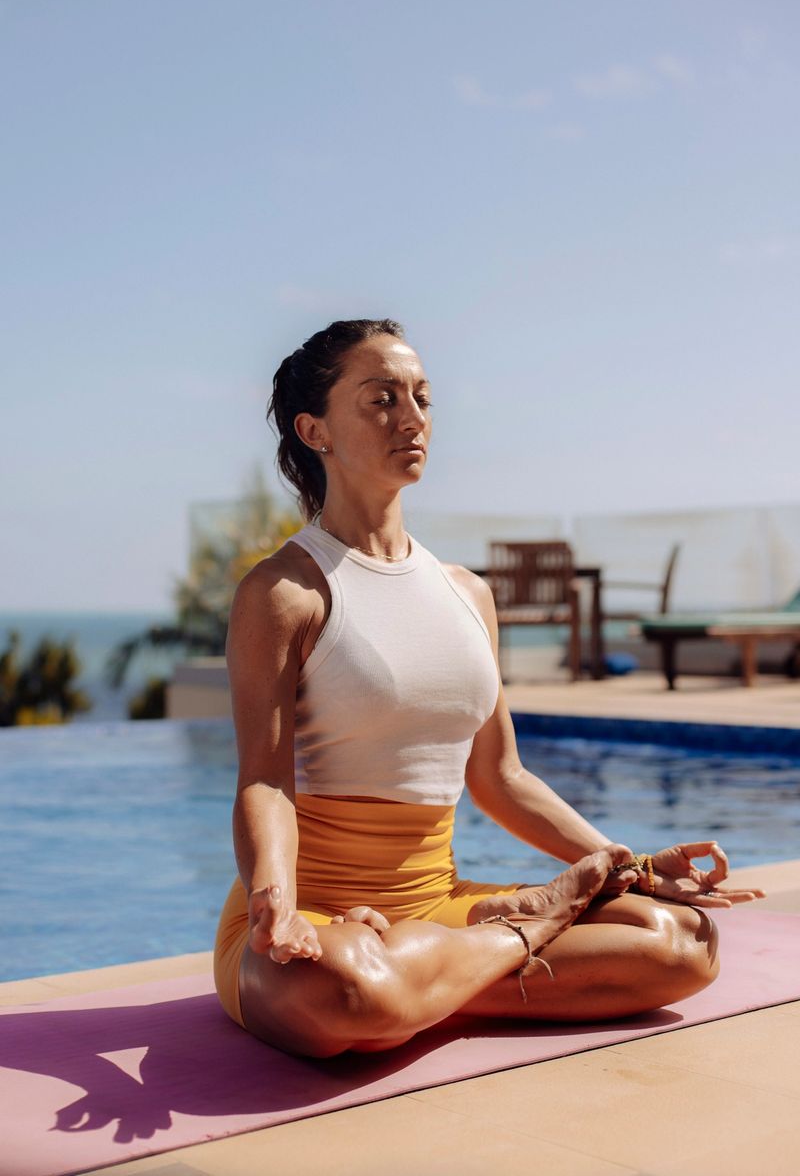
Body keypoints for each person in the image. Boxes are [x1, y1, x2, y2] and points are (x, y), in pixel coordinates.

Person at [213, 318, 766, 1058]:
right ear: (316, 430)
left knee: (684, 941)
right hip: (319, 914)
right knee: (337, 988)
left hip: (439, 912)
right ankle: (519, 933)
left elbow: (500, 776)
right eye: (381, 399)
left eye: (422, 397)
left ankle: (431, 979)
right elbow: (265, 781)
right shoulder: (285, 591)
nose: (411, 419)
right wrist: (274, 902)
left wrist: (628, 866)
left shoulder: (466, 594)